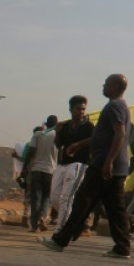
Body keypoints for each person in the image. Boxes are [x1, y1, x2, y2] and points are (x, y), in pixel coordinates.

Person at [41, 74, 133, 259]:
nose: (103, 85)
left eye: (106, 83)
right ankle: (122, 248)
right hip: (115, 165)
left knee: (82, 200)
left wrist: (108, 161)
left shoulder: (114, 106)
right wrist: (79, 145)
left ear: (116, 86)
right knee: (116, 209)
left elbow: (120, 134)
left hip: (103, 164)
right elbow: (103, 135)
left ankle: (60, 240)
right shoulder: (119, 106)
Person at [51, 95, 95, 230]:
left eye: (83, 109)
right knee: (54, 197)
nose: (81, 112)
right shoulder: (65, 126)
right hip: (63, 163)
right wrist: (58, 132)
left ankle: (60, 231)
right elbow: (58, 145)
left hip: (78, 163)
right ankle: (74, 218)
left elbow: (94, 140)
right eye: (78, 109)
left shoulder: (88, 126)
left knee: (66, 197)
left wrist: (79, 145)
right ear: (71, 109)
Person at [24, 115, 59, 232]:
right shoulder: (58, 136)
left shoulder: (38, 134)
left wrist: (25, 167)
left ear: (46, 124)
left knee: (35, 197)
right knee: (46, 197)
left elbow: (30, 151)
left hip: (36, 169)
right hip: (51, 170)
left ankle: (34, 225)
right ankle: (42, 218)